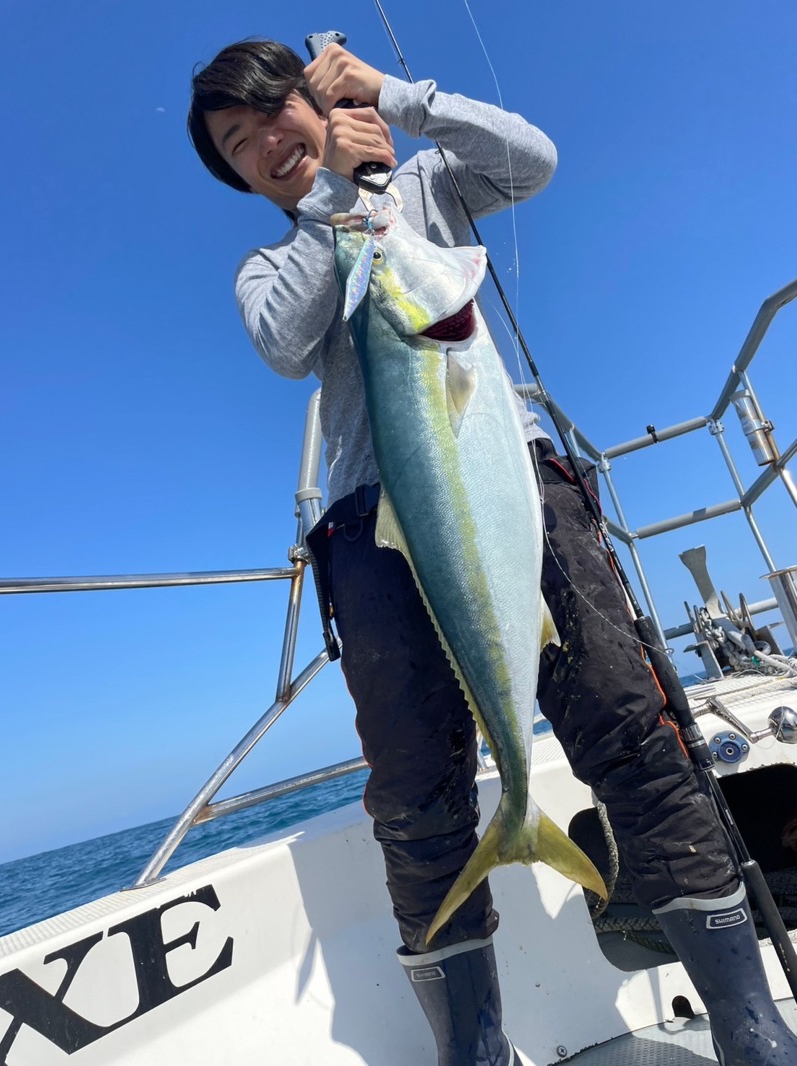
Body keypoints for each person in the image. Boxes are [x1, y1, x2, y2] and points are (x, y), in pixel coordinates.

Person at [188, 38, 797, 1065]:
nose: (263, 147)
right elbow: (283, 339)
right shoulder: (272, 260)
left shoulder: (422, 183)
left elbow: (531, 161)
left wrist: (396, 99)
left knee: (628, 730)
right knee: (417, 797)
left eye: (270, 118)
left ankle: (749, 1021)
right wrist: (338, 198)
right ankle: (472, 1047)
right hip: (369, 533)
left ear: (315, 98)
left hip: (509, 485)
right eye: (236, 147)